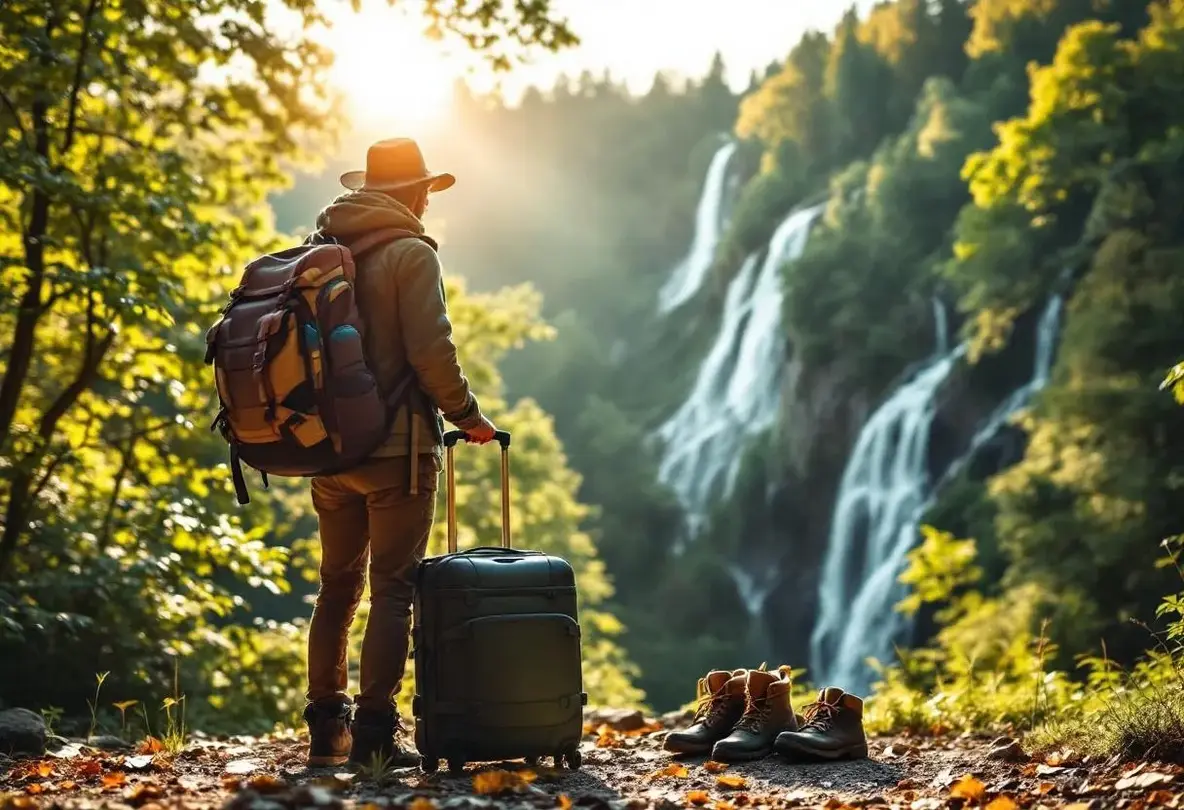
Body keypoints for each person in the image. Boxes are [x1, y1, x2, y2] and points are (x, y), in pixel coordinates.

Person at [299, 138, 497, 768]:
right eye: (425, 193)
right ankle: (377, 735)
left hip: (327, 454)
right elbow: (431, 354)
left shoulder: (320, 249)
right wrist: (469, 418)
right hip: (397, 455)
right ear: (415, 193)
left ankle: (326, 729)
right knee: (392, 590)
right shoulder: (411, 254)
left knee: (336, 588)